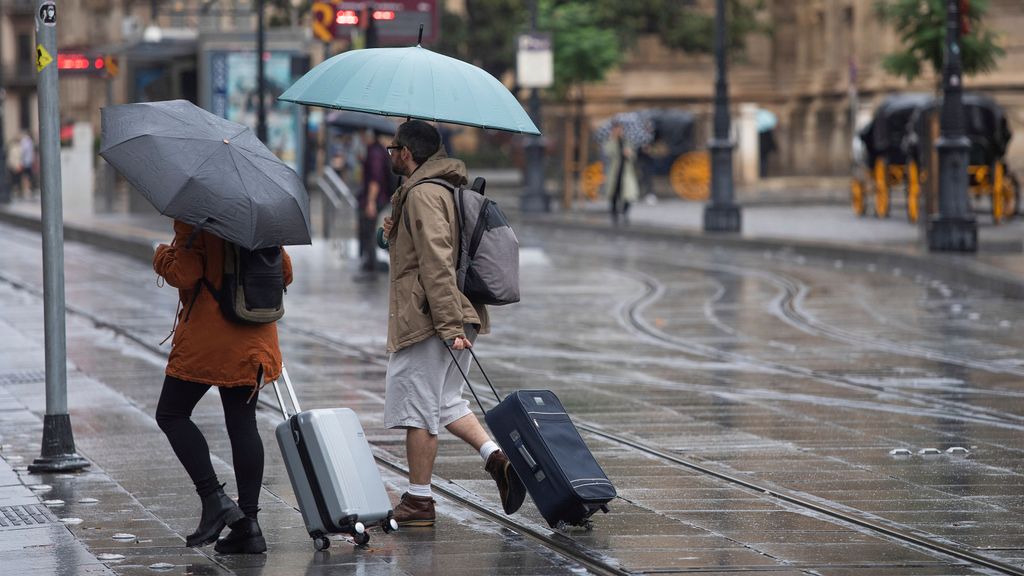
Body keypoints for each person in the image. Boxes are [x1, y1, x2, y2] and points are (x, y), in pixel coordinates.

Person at [379, 120, 525, 526]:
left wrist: (449, 326)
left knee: (419, 409)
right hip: (453, 315)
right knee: (445, 403)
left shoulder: (424, 193)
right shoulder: (436, 188)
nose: (388, 154)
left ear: (407, 153)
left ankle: (418, 501)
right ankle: (497, 460)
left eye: (393, 148)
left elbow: (437, 262)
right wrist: (391, 233)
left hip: (433, 319)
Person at [152, 220, 293, 554]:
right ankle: (250, 525)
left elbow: (184, 274)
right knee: (243, 422)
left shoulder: (197, 216)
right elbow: (284, 272)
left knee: (171, 413)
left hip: (211, 336)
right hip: (256, 336)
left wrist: (161, 256)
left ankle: (213, 497)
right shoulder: (259, 219)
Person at [357, 128, 393, 276]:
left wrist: (371, 202)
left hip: (375, 198)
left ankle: (372, 263)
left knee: (369, 229)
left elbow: (375, 180)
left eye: (363, 134)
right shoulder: (374, 150)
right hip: (376, 197)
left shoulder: (375, 153)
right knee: (368, 229)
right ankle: (370, 262)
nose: (361, 137)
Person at [603, 123, 639, 225]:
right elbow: (607, 153)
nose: (618, 131)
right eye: (616, 129)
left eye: (620, 129)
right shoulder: (610, 141)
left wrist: (630, 153)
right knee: (614, 194)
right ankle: (614, 213)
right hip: (615, 172)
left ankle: (625, 212)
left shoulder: (627, 141)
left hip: (626, 172)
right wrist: (612, 140)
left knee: (629, 194)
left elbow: (633, 157)